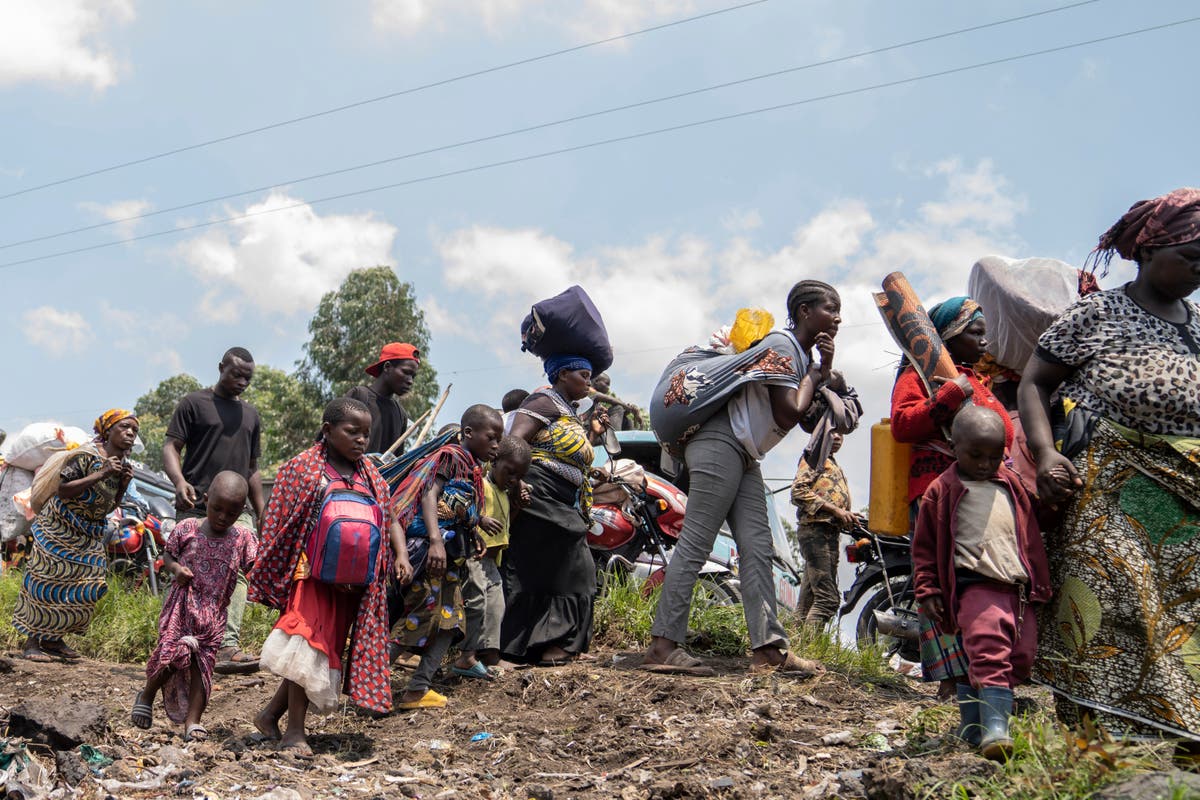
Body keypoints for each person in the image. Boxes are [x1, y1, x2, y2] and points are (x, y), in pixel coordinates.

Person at [1019, 188, 1200, 747]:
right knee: (1114, 598)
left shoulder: (1197, 325)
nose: (1199, 271)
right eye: (1190, 257)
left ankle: (1176, 736)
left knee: (1181, 613)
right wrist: (1046, 453)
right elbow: (1033, 383)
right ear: (1149, 252)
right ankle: (1100, 738)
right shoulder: (1099, 311)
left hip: (1185, 488)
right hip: (1109, 481)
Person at [642, 281, 842, 676]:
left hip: (744, 452)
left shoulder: (798, 356)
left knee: (758, 547)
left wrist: (822, 372)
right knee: (697, 540)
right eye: (830, 309)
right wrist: (818, 375)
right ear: (804, 311)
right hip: (722, 442)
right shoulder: (783, 346)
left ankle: (769, 650)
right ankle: (663, 646)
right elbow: (788, 412)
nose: (837, 318)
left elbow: (803, 418)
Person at [248, 398, 412, 754]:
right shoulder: (303, 469)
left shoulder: (371, 476)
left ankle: (269, 716)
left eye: (366, 434)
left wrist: (400, 554)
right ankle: (294, 732)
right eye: (352, 432)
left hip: (353, 584)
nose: (361, 440)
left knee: (320, 653)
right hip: (310, 575)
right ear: (328, 430)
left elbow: (388, 516)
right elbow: (276, 523)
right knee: (306, 645)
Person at [889, 297, 1013, 699]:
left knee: (979, 583)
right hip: (936, 495)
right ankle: (949, 682)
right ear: (948, 338)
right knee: (939, 583)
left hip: (982, 494)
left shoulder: (977, 381)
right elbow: (904, 425)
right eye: (974, 333)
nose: (984, 341)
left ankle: (981, 675)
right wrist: (949, 397)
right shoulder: (922, 376)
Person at [911, 407, 1051, 760]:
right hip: (976, 586)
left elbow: (1036, 523)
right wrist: (927, 590)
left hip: (1017, 590)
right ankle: (995, 730)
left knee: (1020, 656)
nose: (987, 464)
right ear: (953, 446)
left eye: (995, 455)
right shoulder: (942, 490)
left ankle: (972, 727)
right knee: (989, 652)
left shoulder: (1012, 483)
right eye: (976, 455)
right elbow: (924, 549)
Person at [391, 405, 503, 709]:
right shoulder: (451, 456)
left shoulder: (473, 468)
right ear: (468, 433)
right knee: (419, 619)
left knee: (450, 623)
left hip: (450, 563)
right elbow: (429, 495)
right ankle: (366, 682)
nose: (496, 445)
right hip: (430, 557)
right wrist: (436, 541)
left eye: (499, 439)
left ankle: (418, 689)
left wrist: (475, 532)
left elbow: (455, 509)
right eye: (491, 437)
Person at [132, 471, 257, 741]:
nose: (223, 517)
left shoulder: (242, 539)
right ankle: (147, 693)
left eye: (232, 513)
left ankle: (193, 721)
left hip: (213, 616)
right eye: (217, 509)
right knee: (172, 658)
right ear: (206, 498)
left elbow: (255, 568)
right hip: (181, 608)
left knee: (203, 669)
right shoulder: (187, 528)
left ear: (241, 512)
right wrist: (176, 568)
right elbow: (168, 555)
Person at [501, 356, 608, 666]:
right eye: (583, 375)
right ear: (562, 374)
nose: (589, 382)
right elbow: (514, 441)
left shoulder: (568, 412)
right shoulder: (544, 400)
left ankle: (543, 647)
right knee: (573, 570)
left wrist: (594, 435)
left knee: (552, 573)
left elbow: (569, 454)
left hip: (563, 497)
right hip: (538, 491)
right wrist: (516, 483)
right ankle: (545, 645)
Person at [164, 347, 265, 673]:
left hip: (240, 511)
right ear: (221, 367)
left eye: (247, 377)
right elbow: (171, 447)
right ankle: (177, 642)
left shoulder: (251, 415)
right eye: (235, 374)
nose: (241, 381)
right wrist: (179, 481)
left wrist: (262, 511)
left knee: (237, 575)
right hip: (197, 503)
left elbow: (252, 468)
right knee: (189, 574)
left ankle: (226, 646)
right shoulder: (194, 404)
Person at [14, 409, 138, 663]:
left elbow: (108, 506)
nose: (130, 433)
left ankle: (53, 639)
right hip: (59, 527)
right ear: (108, 431)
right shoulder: (86, 456)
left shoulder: (120, 465)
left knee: (86, 583)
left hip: (89, 532)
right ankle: (32, 641)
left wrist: (122, 484)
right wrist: (101, 473)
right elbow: (64, 490)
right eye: (124, 427)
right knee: (46, 580)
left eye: (134, 430)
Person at [453, 436, 532, 678]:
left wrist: (517, 505)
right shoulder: (481, 486)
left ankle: (491, 656)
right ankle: (467, 655)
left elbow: (506, 527)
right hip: (475, 557)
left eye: (519, 476)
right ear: (494, 461)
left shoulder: (503, 492)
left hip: (493, 561)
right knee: (477, 604)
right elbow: (465, 515)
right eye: (510, 472)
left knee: (496, 606)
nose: (513, 480)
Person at [790, 431, 855, 628]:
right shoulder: (814, 457)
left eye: (841, 434)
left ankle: (792, 648)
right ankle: (810, 650)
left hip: (828, 532)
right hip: (816, 531)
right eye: (832, 433)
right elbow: (798, 492)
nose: (837, 437)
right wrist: (835, 510)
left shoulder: (832, 463)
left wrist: (846, 515)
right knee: (828, 600)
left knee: (806, 603)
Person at [346, 342, 419, 455]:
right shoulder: (360, 396)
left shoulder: (400, 414)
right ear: (387, 367)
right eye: (406, 372)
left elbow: (395, 461)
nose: (410, 381)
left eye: (413, 376)